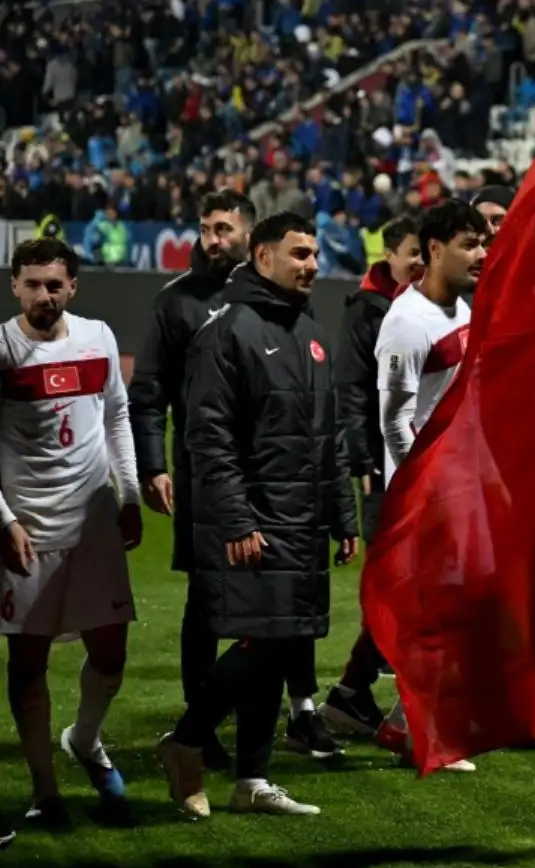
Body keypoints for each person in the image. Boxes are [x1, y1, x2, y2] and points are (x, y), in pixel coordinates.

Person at [156, 212, 360, 819]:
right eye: (299, 254)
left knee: (282, 639)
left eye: (315, 254)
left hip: (301, 520)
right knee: (266, 643)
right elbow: (208, 437)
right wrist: (238, 520)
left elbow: (330, 437)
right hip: (257, 521)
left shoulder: (311, 332)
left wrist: (342, 516)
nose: (312, 265)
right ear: (264, 256)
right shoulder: (227, 331)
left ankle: (252, 780)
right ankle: (187, 739)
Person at [129, 192, 323, 771]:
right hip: (206, 478)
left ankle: (289, 713)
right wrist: (154, 464)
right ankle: (202, 724)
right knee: (206, 602)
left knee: (277, 605)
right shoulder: (177, 304)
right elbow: (150, 393)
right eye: (206, 229)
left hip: (272, 484)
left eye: (224, 229)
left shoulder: (282, 305)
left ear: (250, 239)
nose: (213, 240)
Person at [1, 239, 141, 831]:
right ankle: (44, 791)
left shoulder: (98, 336)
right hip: (27, 530)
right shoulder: (2, 348)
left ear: (73, 287)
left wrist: (130, 493)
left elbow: (116, 416)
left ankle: (84, 739)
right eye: (32, 283)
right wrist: (3, 520)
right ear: (15, 286)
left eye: (54, 284)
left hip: (93, 523)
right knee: (27, 665)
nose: (44, 295)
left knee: (111, 653)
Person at [346, 203, 490, 772]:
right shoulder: (406, 323)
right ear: (434, 249)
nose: (481, 254)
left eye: (482, 243)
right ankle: (413, 728)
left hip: (459, 481)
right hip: (428, 492)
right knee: (436, 611)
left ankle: (401, 720)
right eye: (469, 244)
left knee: (454, 608)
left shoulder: (460, 308)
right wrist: (424, 483)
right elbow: (394, 419)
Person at [318, 217, 421, 737]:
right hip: (387, 466)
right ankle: (377, 701)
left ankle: (353, 692)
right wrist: (361, 461)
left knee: (405, 583)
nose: (419, 264)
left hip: (414, 463)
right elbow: (352, 389)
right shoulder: (373, 310)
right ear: (389, 257)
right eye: (412, 255)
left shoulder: (419, 307)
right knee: (402, 583)